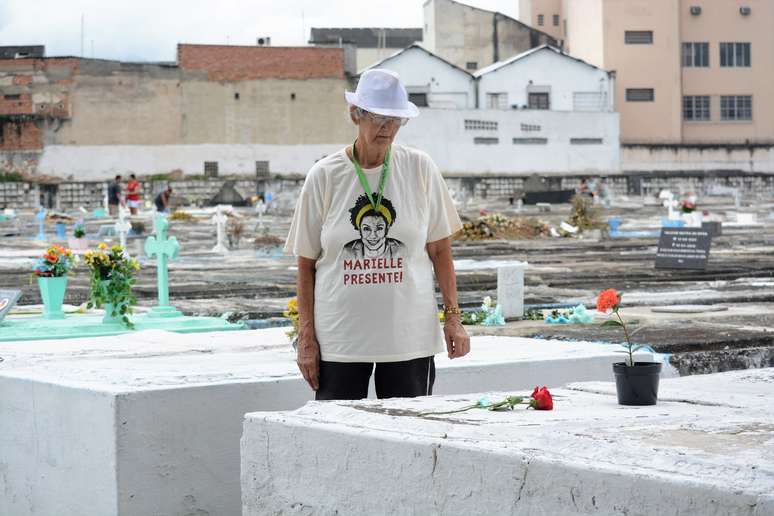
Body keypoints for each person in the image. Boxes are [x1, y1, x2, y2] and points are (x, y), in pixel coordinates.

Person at [285, 69, 470, 401]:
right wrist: (306, 337)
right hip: (340, 342)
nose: (387, 128)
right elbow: (306, 263)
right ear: (357, 115)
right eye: (379, 118)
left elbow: (440, 251)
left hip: (408, 339)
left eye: (396, 119)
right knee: (336, 435)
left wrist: (454, 319)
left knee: (410, 435)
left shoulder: (419, 168)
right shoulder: (324, 176)